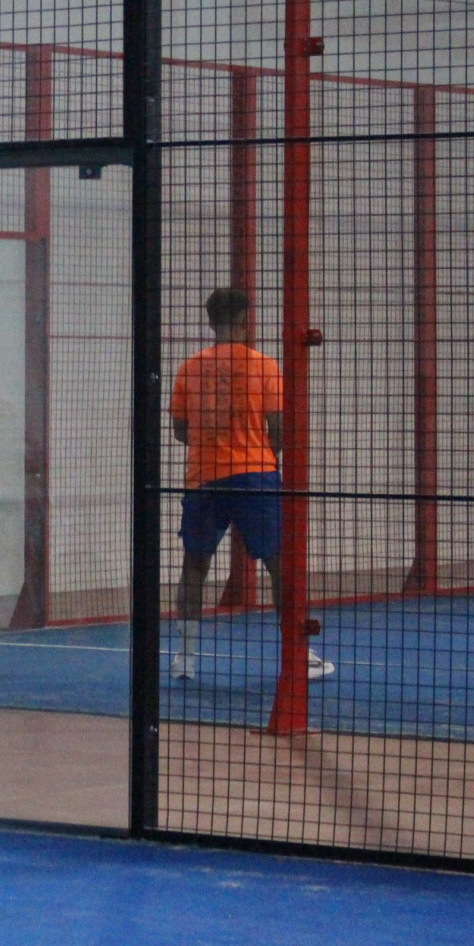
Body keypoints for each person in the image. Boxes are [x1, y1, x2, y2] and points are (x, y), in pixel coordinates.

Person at [168, 287, 332, 683]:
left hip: (204, 476)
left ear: (210, 322)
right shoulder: (264, 366)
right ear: (245, 321)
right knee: (280, 563)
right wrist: (256, 451)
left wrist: (214, 444)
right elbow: (279, 429)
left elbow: (180, 430)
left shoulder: (189, 368)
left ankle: (185, 657)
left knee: (195, 564)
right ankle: (296, 652)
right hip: (255, 474)